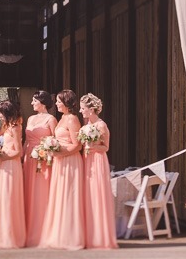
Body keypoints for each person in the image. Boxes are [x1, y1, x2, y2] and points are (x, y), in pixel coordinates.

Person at [38, 89, 86, 251]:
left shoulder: (72, 119)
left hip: (70, 162)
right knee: (60, 196)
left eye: (58, 101)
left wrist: (59, 152)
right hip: (60, 161)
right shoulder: (62, 118)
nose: (56, 103)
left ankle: (71, 236)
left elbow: (77, 144)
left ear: (66, 103)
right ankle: (60, 234)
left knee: (69, 196)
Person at [80, 93, 118, 250]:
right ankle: (89, 235)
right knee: (87, 196)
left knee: (97, 195)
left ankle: (100, 236)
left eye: (83, 109)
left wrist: (92, 146)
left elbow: (106, 147)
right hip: (86, 160)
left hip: (97, 161)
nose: (81, 111)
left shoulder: (101, 125)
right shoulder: (85, 125)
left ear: (91, 110)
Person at [0, 100, 26, 249]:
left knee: (9, 197)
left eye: (0, 112)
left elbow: (18, 151)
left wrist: (2, 157)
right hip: (4, 164)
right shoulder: (6, 126)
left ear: (7, 112)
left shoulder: (16, 127)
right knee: (2, 197)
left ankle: (11, 236)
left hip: (11, 165)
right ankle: (1, 234)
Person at [23, 90, 57, 246]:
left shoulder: (51, 119)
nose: (31, 103)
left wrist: (47, 152)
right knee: (29, 191)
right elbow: (25, 141)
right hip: (28, 158)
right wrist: (21, 157)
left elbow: (56, 141)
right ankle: (28, 227)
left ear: (42, 102)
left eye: (34, 101)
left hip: (44, 159)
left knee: (42, 192)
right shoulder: (30, 118)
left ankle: (44, 228)